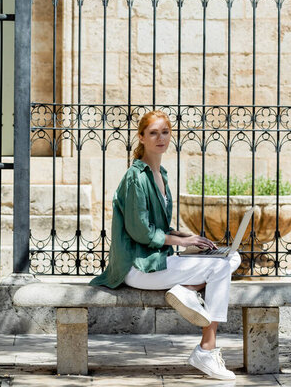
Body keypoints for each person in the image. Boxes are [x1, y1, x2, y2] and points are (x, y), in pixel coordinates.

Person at [90, 109, 241, 381]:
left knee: (231, 258)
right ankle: (207, 349)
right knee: (220, 268)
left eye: (165, 132)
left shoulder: (161, 174)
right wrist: (181, 241)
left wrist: (190, 237)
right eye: (153, 133)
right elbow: (140, 232)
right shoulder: (135, 177)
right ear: (141, 137)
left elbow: (161, 228)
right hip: (139, 266)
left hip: (158, 261)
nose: (160, 138)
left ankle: (186, 290)